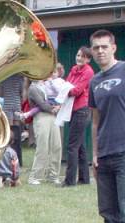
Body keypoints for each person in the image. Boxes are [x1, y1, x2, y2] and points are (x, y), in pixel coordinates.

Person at [89, 30, 125, 223]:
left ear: (114, 47)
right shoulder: (94, 82)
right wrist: (95, 153)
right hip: (105, 154)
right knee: (109, 211)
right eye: (95, 48)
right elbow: (95, 120)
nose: (100, 51)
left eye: (104, 46)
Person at [63, 47, 94, 186]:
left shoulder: (88, 71)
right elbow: (66, 85)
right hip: (72, 109)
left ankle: (70, 181)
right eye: (78, 55)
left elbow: (76, 90)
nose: (79, 58)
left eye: (82, 56)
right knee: (80, 146)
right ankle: (84, 179)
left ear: (88, 59)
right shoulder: (74, 69)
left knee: (72, 146)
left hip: (82, 110)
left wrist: (65, 91)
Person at [26, 70, 62, 186]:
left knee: (56, 146)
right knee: (42, 147)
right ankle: (35, 176)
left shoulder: (46, 84)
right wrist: (53, 108)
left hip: (52, 116)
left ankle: (53, 175)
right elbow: (41, 103)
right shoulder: (33, 88)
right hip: (41, 117)